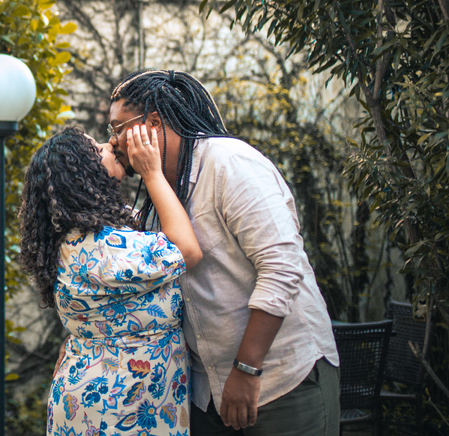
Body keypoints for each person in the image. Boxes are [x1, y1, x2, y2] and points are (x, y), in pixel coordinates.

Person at [107, 69, 340, 436]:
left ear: (153, 123)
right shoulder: (161, 192)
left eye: (119, 127)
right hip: (207, 391)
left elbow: (282, 266)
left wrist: (248, 369)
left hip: (280, 379)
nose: (115, 140)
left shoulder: (229, 163)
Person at [19, 125, 202, 436]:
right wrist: (153, 173)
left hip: (100, 396)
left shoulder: (79, 237)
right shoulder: (103, 248)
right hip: (117, 408)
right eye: (98, 148)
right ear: (83, 173)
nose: (109, 145)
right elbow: (187, 250)